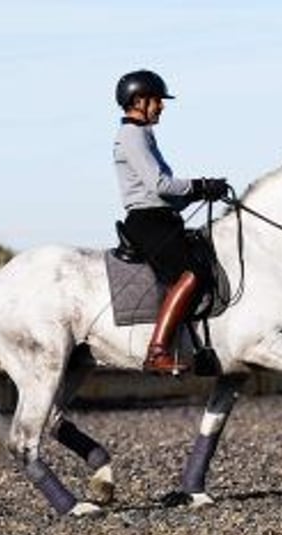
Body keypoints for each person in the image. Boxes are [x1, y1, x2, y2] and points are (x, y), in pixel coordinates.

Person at [113, 69, 228, 375]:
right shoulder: (132, 134)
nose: (162, 106)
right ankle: (158, 351)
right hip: (148, 221)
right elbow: (160, 185)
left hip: (160, 216)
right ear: (139, 101)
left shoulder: (142, 133)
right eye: (157, 101)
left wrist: (202, 194)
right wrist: (200, 185)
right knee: (190, 274)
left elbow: (169, 194)